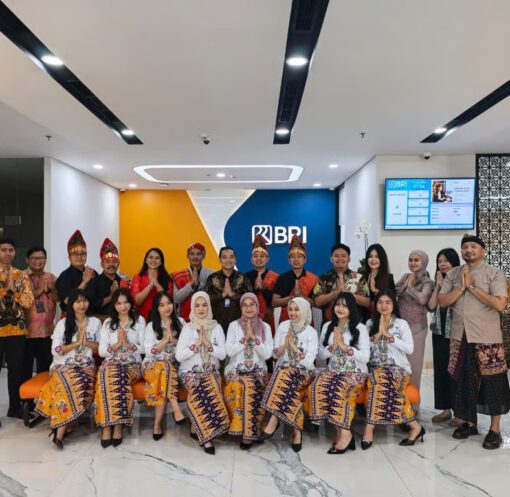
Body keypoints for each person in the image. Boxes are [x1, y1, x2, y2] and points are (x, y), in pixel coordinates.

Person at [439, 235, 510, 449]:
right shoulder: (453, 273)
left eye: (473, 246)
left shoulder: (494, 273)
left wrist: (472, 287)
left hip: (487, 337)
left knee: (493, 382)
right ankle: (469, 423)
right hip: (460, 335)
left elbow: (500, 305)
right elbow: (443, 301)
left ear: (483, 251)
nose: (468, 250)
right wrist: (461, 288)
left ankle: (495, 430)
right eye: (465, 247)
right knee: (464, 380)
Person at [34, 289, 100, 449]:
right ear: (71, 304)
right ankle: (62, 430)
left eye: (84, 300)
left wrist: (86, 343)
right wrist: (76, 343)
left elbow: (100, 348)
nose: (82, 305)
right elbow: (55, 350)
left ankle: (59, 428)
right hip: (63, 365)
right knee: (66, 382)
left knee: (73, 382)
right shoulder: (63, 324)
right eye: (78, 301)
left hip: (86, 366)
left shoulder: (95, 323)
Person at [305, 293, 369, 454]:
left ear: (351, 308)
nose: (340, 308)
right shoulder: (328, 326)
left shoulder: (360, 328)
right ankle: (343, 432)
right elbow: (321, 355)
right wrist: (333, 347)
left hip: (354, 372)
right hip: (333, 370)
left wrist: (345, 347)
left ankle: (344, 434)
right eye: (338, 305)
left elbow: (365, 357)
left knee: (338, 389)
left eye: (345, 306)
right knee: (316, 388)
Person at [362, 291, 425, 449]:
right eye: (380, 302)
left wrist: (389, 336)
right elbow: (363, 349)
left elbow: (409, 349)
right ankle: (415, 426)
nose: (383, 306)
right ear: (375, 305)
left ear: (393, 305)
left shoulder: (401, 324)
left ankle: (369, 427)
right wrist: (378, 334)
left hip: (398, 369)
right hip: (376, 368)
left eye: (388, 302)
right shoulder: (370, 323)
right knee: (380, 379)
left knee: (380, 380)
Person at [259, 297, 318, 453]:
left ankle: (274, 419)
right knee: (284, 378)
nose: (292, 313)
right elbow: (274, 354)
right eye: (290, 309)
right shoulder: (283, 326)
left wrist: (294, 347)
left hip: (303, 373)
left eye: (297, 309)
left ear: (304, 311)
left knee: (282, 377)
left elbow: (309, 363)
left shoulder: (311, 332)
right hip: (283, 370)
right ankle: (297, 432)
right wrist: (286, 344)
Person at [175, 292, 230, 454]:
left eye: (204, 305)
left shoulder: (216, 327)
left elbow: (223, 355)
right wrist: (196, 345)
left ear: (209, 307)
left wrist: (208, 344)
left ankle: (196, 428)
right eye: (197, 305)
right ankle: (206, 438)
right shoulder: (188, 328)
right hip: (190, 372)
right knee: (198, 386)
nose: (201, 309)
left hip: (211, 371)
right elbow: (179, 356)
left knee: (209, 385)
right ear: (192, 308)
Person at [95, 288, 146, 447]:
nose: (123, 306)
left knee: (119, 376)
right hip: (111, 363)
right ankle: (106, 426)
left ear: (131, 303)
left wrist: (129, 345)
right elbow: (102, 351)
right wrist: (117, 345)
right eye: (119, 303)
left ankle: (118, 425)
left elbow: (145, 348)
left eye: (126, 302)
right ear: (114, 305)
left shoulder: (139, 321)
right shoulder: (108, 323)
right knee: (104, 375)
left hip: (132, 364)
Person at [224, 293, 273, 449]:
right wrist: (244, 338)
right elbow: (229, 352)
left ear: (257, 306)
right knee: (241, 386)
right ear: (241, 308)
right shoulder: (234, 326)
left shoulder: (265, 327)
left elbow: (268, 354)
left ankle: (247, 433)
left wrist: (255, 340)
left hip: (257, 372)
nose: (248, 308)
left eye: (252, 304)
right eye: (245, 305)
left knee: (249, 384)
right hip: (235, 370)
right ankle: (249, 430)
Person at [143, 291, 186, 440]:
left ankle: (157, 424)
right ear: (157, 308)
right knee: (164, 366)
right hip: (152, 366)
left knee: (165, 373)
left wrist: (173, 340)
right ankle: (175, 408)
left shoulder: (181, 323)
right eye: (162, 305)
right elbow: (148, 352)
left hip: (174, 368)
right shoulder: (151, 326)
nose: (167, 307)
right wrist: (164, 341)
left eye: (169, 303)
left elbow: (187, 348)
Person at [0, 238, 34, 419]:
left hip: (16, 331)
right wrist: (5, 290)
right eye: (3, 250)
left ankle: (14, 407)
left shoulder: (21, 275)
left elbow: (28, 301)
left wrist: (14, 291)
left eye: (10, 250)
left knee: (16, 370)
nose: (7, 253)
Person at [427, 248, 461, 426]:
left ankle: (460, 412)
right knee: (440, 371)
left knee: (456, 372)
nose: (442, 264)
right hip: (439, 332)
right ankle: (446, 409)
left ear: (454, 262)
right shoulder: (437, 281)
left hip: (456, 334)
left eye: (446, 260)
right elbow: (432, 306)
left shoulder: (460, 281)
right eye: (440, 261)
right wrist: (439, 286)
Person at [395, 250, 433, 392]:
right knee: (400, 366)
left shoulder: (428, 282)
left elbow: (422, 299)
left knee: (414, 367)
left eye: (416, 260)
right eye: (410, 260)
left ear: (424, 262)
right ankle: (400, 400)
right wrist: (405, 285)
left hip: (417, 329)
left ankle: (414, 401)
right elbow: (394, 292)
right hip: (400, 329)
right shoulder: (406, 277)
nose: (413, 263)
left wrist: (409, 287)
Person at [24, 247, 59, 380]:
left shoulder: (51, 277)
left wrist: (49, 291)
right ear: (27, 260)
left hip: (47, 332)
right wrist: (39, 291)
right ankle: (24, 394)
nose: (38, 261)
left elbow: (59, 298)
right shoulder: (21, 277)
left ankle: (42, 393)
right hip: (26, 333)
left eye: (42, 258)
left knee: (44, 371)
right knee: (24, 370)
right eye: (34, 258)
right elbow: (20, 299)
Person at [313, 243, 369, 324]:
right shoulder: (323, 278)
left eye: (343, 256)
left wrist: (348, 294)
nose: (340, 258)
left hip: (354, 325)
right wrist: (334, 293)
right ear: (331, 259)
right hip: (329, 325)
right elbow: (317, 302)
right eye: (336, 256)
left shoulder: (359, 278)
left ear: (349, 259)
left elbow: (367, 302)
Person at [203, 246, 252, 333]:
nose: (228, 260)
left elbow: (251, 299)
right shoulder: (212, 278)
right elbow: (204, 299)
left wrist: (233, 295)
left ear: (235, 260)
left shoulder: (242, 277)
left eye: (231, 257)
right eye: (224, 257)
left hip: (239, 323)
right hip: (216, 324)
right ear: (219, 260)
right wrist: (221, 295)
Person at [273, 236, 318, 324]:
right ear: (289, 260)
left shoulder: (314, 279)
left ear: (305, 260)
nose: (296, 260)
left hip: (306, 322)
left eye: (299, 257)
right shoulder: (282, 278)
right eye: (293, 257)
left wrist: (302, 296)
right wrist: (292, 297)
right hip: (286, 322)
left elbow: (316, 303)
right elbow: (274, 302)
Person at [55, 230, 96, 315]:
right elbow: (68, 301)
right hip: (71, 317)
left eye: (83, 254)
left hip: (91, 317)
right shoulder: (64, 276)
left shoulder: (92, 272)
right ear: (69, 258)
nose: (79, 257)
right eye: (75, 254)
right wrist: (84, 282)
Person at [245, 235, 279, 334]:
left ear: (267, 259)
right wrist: (254, 289)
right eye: (256, 256)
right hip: (248, 318)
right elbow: (242, 300)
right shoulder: (245, 277)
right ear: (251, 259)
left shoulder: (275, 277)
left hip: (268, 318)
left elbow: (275, 302)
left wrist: (263, 288)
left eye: (262, 256)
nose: (258, 259)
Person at [172, 243, 215, 322]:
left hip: (207, 320)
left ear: (203, 255)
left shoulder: (213, 274)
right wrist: (190, 285)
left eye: (198, 254)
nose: (195, 257)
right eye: (192, 254)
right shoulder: (178, 275)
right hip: (185, 321)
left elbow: (214, 298)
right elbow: (176, 299)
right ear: (187, 256)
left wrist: (199, 285)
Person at [88, 238, 129, 318]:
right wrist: (111, 297)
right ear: (102, 264)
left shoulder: (124, 283)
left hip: (120, 321)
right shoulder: (94, 282)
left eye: (114, 261)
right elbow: (90, 305)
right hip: (100, 321)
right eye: (107, 261)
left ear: (119, 263)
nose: (111, 264)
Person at [130, 248, 173, 321]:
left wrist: (156, 284)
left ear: (161, 262)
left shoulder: (167, 279)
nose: (153, 260)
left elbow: (168, 301)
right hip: (142, 320)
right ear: (146, 260)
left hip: (162, 319)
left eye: (157, 258)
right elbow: (137, 302)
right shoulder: (138, 278)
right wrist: (150, 285)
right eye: (151, 257)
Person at [361, 243, 396, 320]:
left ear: (382, 259)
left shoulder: (389, 278)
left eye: (377, 257)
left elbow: (392, 301)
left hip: (383, 319)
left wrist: (374, 290)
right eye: (370, 256)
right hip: (364, 319)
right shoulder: (362, 278)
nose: (373, 260)